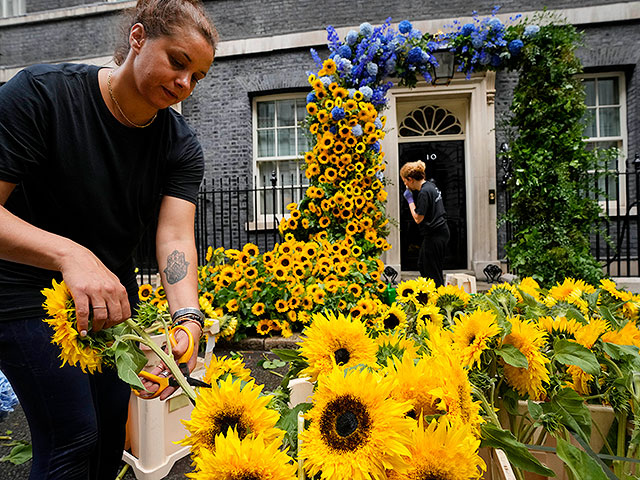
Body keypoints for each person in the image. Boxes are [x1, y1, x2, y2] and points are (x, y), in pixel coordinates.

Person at [0, 1, 218, 478]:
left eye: (197, 76)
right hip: (18, 287)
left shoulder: (180, 145)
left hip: (109, 299)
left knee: (108, 439)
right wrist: (70, 254)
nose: (185, 83)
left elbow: (176, 235)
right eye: (178, 62)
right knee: (72, 434)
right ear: (137, 39)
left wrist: (188, 317)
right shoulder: (40, 95)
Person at [400, 160, 450, 287]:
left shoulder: (424, 192)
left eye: (405, 181)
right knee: (423, 264)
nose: (405, 185)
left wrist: (410, 200)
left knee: (432, 271)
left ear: (410, 179)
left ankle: (438, 299)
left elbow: (418, 218)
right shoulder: (431, 186)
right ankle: (432, 295)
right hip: (439, 233)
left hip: (436, 234)